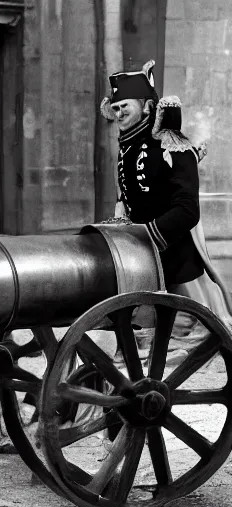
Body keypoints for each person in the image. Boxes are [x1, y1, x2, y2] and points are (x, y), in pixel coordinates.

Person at [100, 60, 232, 360]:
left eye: (125, 107)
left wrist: (147, 237)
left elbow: (187, 211)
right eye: (116, 108)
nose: (119, 113)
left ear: (146, 107)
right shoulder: (128, 148)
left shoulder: (175, 147)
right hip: (144, 257)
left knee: (191, 327)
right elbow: (127, 199)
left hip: (177, 259)